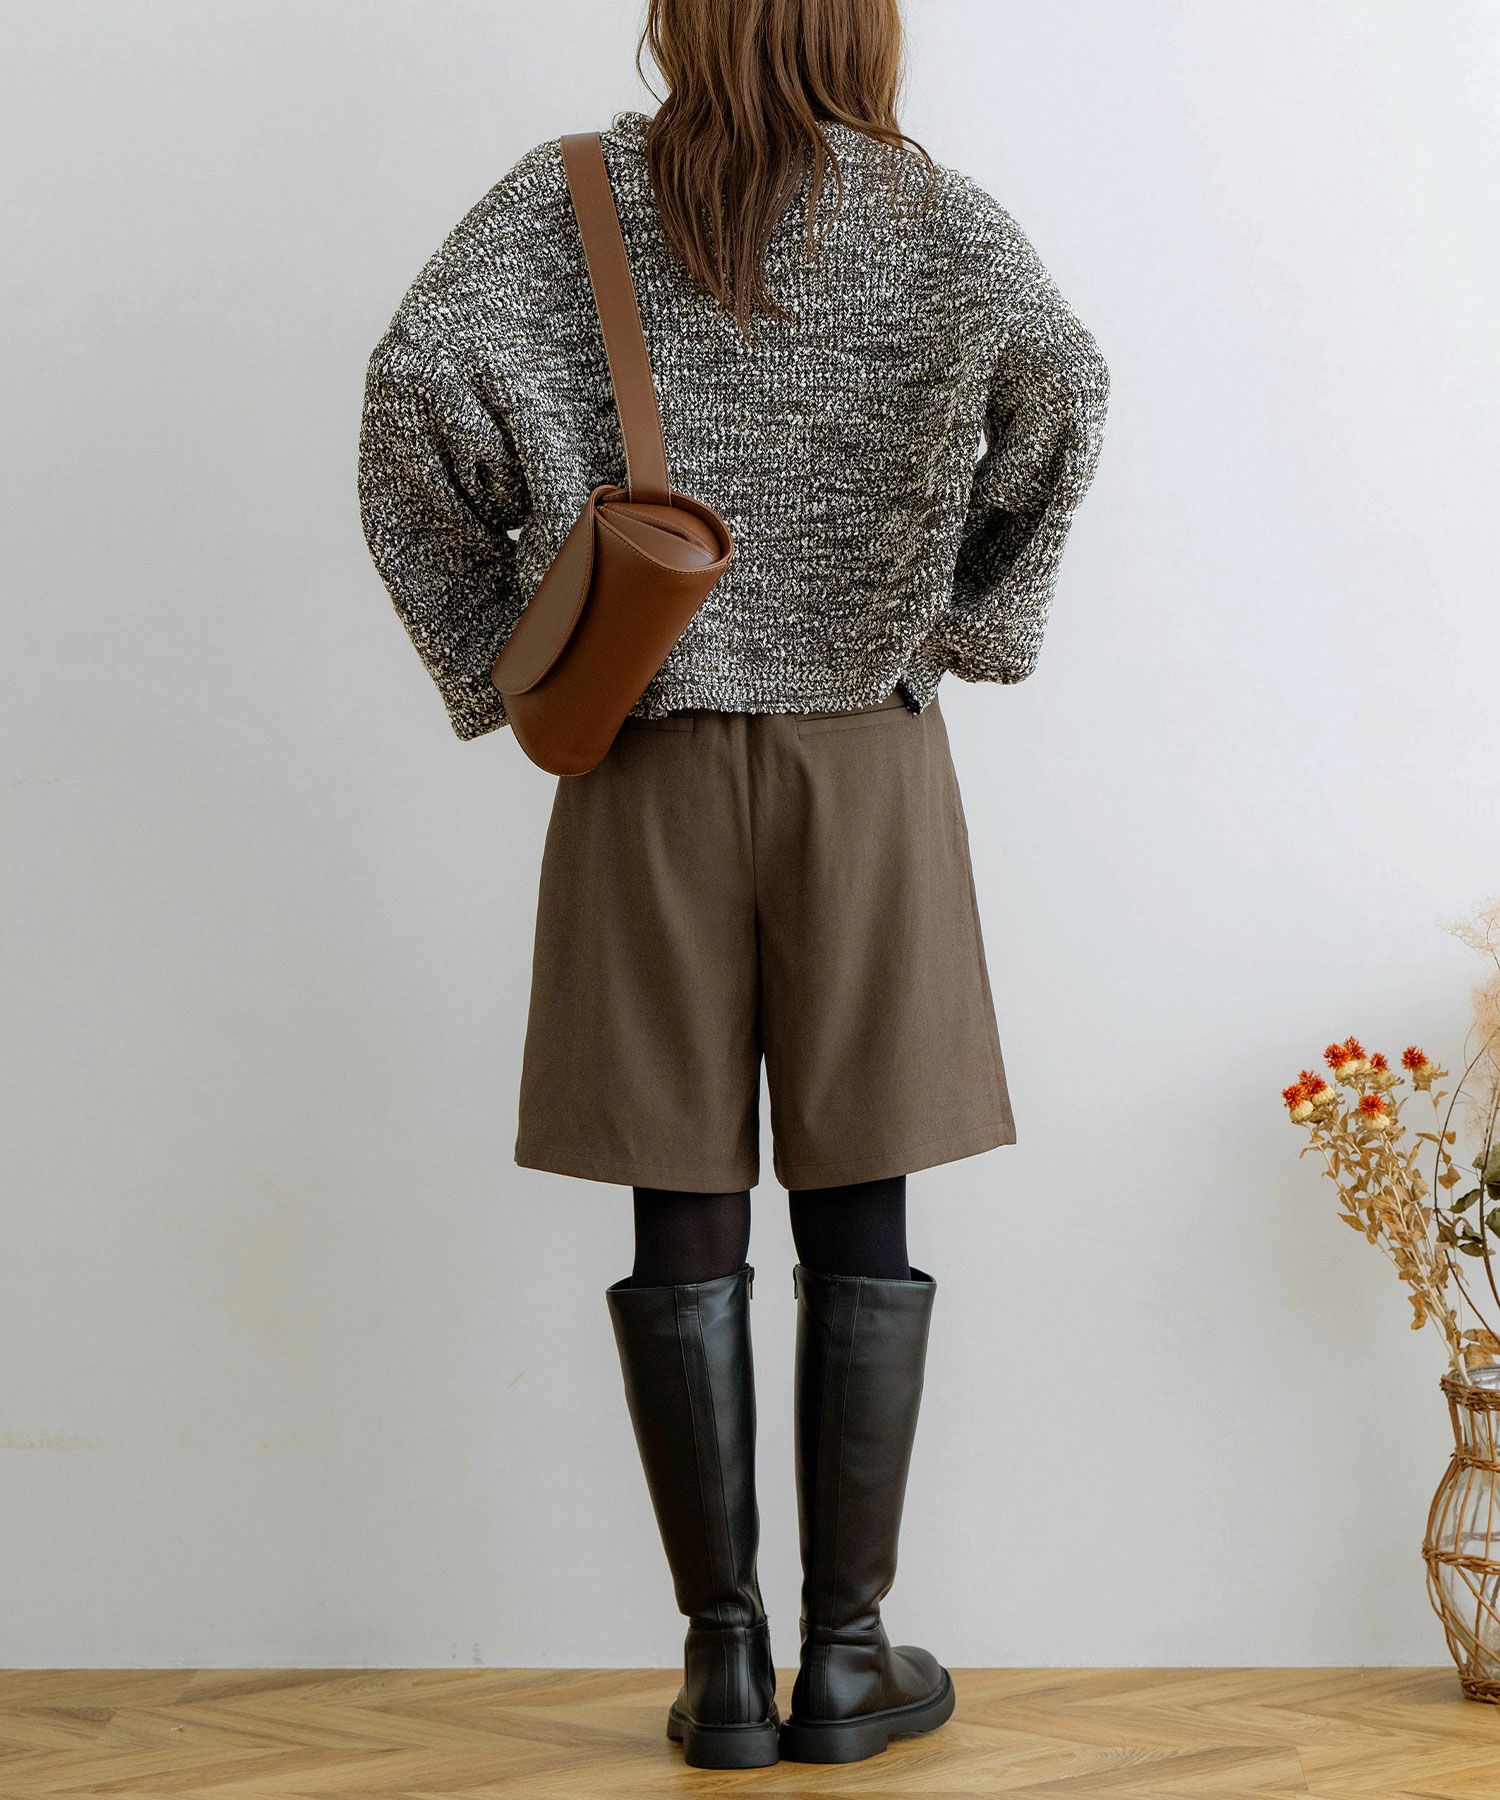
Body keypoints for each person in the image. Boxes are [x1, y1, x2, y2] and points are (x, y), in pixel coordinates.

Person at [357, 0, 1108, 1770]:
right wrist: (964, 621)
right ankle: (845, 1662)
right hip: (868, 760)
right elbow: (1068, 389)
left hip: (647, 758)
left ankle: (720, 1666)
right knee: (863, 1190)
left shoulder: (566, 203)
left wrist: (506, 655)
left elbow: (411, 398)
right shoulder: (937, 219)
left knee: (679, 1195)